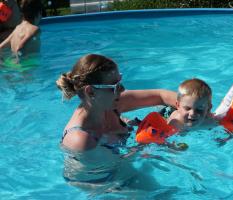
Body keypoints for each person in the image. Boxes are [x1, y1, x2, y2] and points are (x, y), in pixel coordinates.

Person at [56, 54, 177, 191]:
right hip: (105, 185)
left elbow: (161, 95)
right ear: (91, 92)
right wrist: (149, 143)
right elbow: (118, 167)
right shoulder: (82, 140)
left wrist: (197, 112)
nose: (122, 89)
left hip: (123, 168)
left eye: (120, 82)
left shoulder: (109, 103)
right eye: (115, 86)